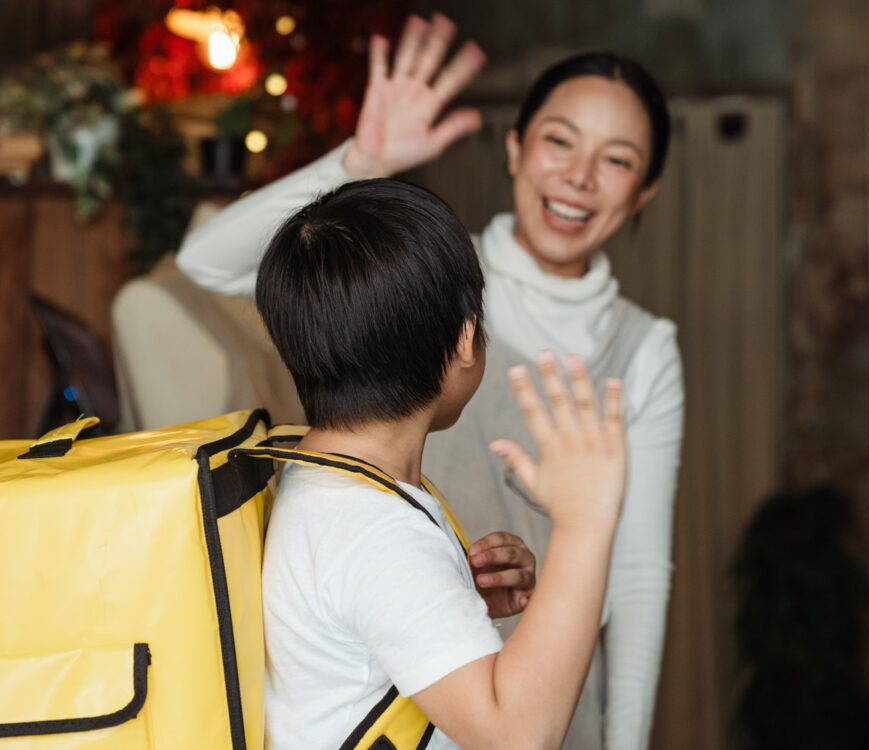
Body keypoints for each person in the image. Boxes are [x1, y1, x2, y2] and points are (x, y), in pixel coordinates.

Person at [177, 15, 683, 749]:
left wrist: (451, 588)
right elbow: (207, 266)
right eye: (560, 140)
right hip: (505, 700)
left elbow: (635, 581)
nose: (579, 174)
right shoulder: (420, 278)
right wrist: (361, 158)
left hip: (501, 670)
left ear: (644, 191)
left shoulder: (342, 481)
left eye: (616, 159)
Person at [257, 177, 626, 749]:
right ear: (465, 340)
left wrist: (455, 601)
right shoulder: (373, 531)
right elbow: (517, 737)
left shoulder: (328, 488)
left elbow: (361, 639)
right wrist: (585, 525)